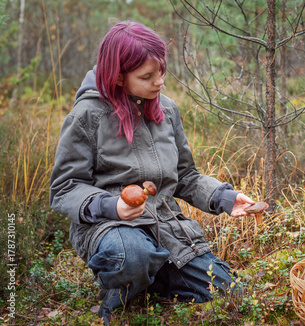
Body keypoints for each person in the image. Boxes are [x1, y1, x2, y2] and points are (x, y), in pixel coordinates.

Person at [49, 20, 255, 324]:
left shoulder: (167, 110)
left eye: (161, 71)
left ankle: (152, 281)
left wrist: (225, 198)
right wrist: (112, 206)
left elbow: (185, 176)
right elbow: (65, 188)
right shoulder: (86, 116)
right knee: (133, 255)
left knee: (233, 291)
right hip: (108, 228)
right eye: (147, 76)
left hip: (165, 229)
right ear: (118, 77)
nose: (159, 82)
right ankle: (120, 296)